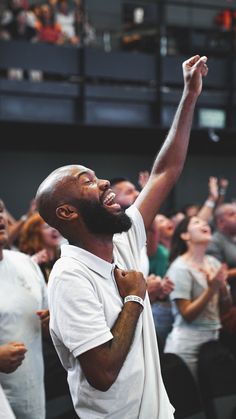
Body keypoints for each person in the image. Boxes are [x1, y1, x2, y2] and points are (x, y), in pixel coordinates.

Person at [35, 54, 208, 418]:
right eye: (87, 182)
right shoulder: (70, 277)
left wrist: (189, 96)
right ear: (67, 213)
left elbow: (166, 171)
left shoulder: (123, 240)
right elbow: (102, 373)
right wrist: (134, 299)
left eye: (95, 175)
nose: (103, 183)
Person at [164, 216, 232, 380]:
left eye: (204, 222)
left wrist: (221, 288)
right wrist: (212, 289)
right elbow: (187, 314)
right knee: (194, 400)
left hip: (213, 338)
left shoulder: (213, 262)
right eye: (196, 222)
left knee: (214, 399)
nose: (204, 223)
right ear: (185, 235)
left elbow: (225, 310)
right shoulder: (180, 267)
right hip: (187, 344)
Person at [0, 199, 48, 419]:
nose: (1, 217)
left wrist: (52, 322)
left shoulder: (26, 264)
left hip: (31, 395)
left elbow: (46, 321)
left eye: (1, 210)